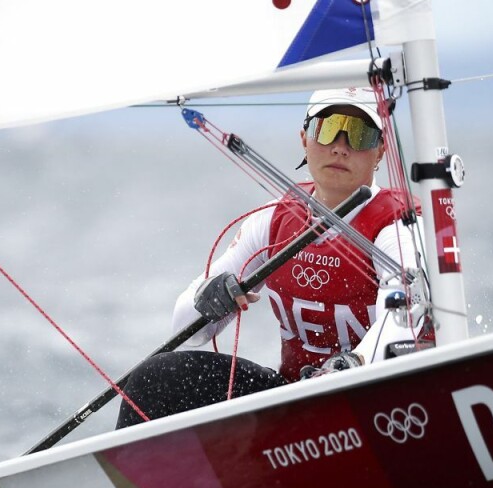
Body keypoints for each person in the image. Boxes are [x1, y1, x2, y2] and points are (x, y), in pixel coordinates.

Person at [117, 87, 423, 428]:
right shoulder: (271, 223)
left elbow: (404, 320)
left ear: (380, 149)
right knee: (156, 377)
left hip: (386, 403)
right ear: (304, 137)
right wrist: (210, 298)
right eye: (327, 128)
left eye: (359, 133)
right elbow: (184, 330)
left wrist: (354, 364)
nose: (340, 145)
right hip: (296, 400)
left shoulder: (398, 226)